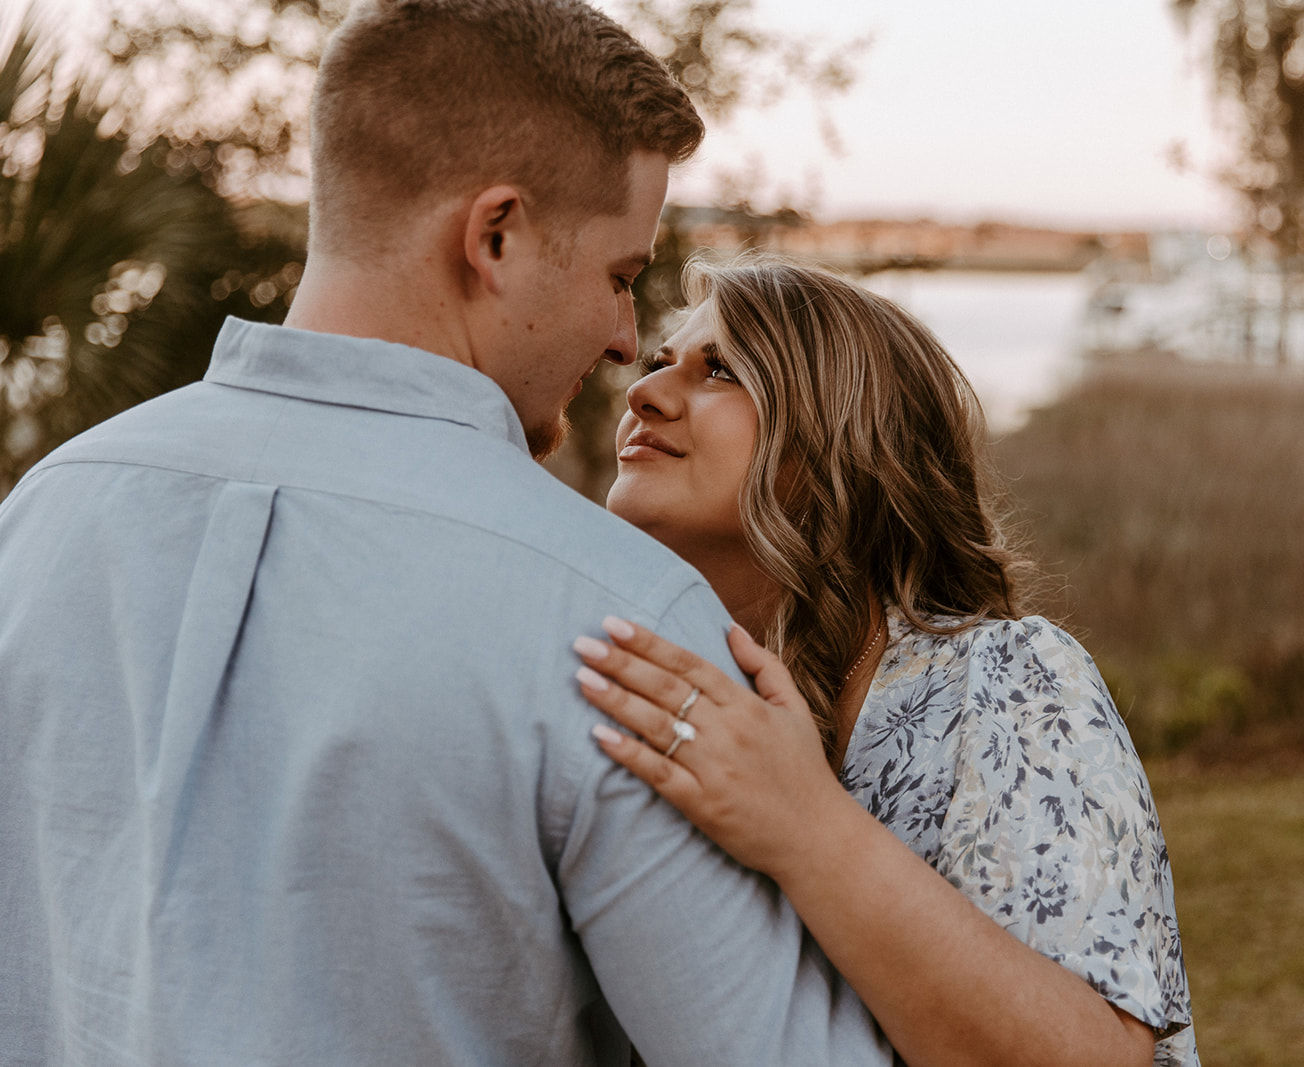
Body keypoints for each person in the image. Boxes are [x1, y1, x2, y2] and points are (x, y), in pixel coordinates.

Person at [0, 5, 894, 1066]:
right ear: (495, 235)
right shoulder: (622, 627)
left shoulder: (39, 518)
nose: (623, 341)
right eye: (619, 275)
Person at [573, 256, 1201, 1067]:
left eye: (720, 370)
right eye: (661, 361)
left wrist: (805, 825)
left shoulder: (1006, 676)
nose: (644, 391)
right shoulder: (661, 687)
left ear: (841, 442)